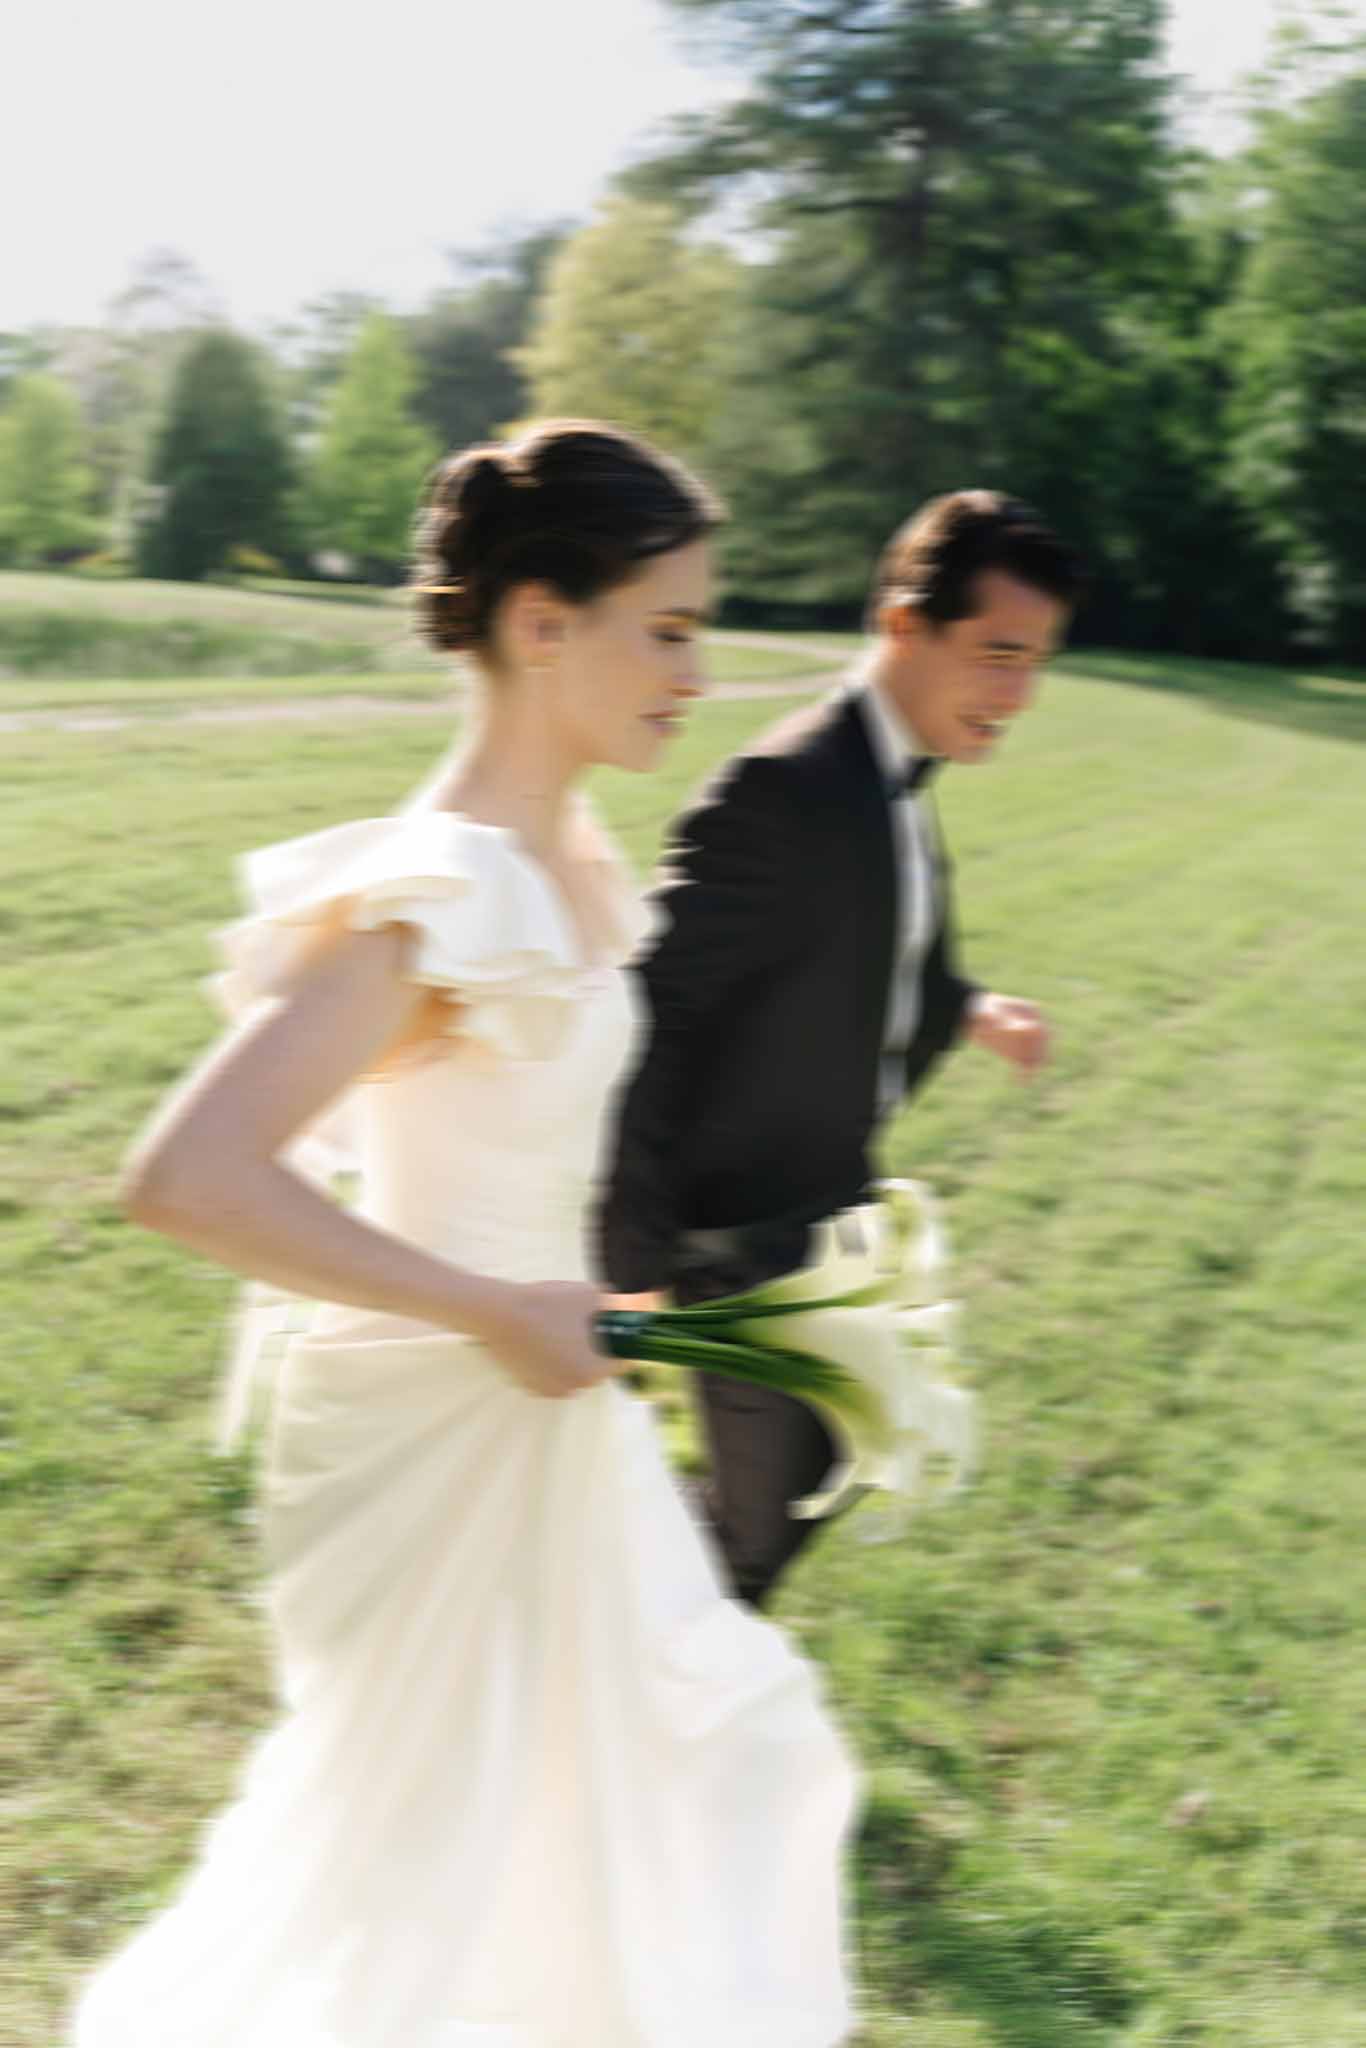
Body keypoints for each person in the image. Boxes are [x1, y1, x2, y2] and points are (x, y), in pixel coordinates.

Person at [72, 422, 859, 2048]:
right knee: (432, 1866)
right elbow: (188, 1173)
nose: (693, 673)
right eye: (670, 627)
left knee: (668, 1781)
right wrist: (491, 1304)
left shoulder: (574, 857)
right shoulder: (440, 891)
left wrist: (589, 1298)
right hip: (436, 1425)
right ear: (538, 622)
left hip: (551, 1405)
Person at [600, 488, 1084, 1612]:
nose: (1018, 694)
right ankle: (639, 1679)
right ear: (904, 623)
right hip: (732, 1226)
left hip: (821, 1202)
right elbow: (651, 1014)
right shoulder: (785, 789)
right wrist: (629, 1262)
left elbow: (881, 929)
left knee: (811, 1474)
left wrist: (965, 1003)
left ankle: (640, 1626)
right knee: (766, 1516)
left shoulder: (893, 782)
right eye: (998, 653)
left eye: (1037, 662)